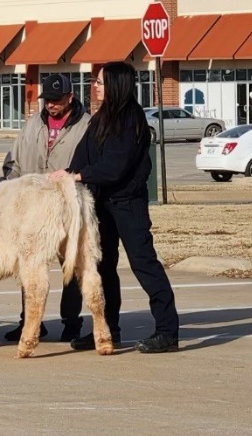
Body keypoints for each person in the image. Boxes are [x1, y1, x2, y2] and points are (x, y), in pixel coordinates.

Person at [50, 61, 179, 354]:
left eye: (100, 82)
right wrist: (67, 175)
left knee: (144, 264)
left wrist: (78, 175)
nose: (94, 87)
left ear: (116, 85)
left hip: (128, 204)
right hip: (102, 204)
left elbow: (114, 167)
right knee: (103, 267)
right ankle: (107, 329)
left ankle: (168, 331)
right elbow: (83, 155)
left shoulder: (131, 120)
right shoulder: (102, 117)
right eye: (95, 82)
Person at [0, 73, 91, 342]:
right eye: (47, 99)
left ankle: (71, 322)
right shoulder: (32, 125)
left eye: (56, 99)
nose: (50, 104)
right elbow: (13, 162)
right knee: (28, 265)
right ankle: (30, 322)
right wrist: (7, 188)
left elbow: (91, 166)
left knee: (70, 265)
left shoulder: (86, 126)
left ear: (69, 97)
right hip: (30, 210)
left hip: (67, 208)